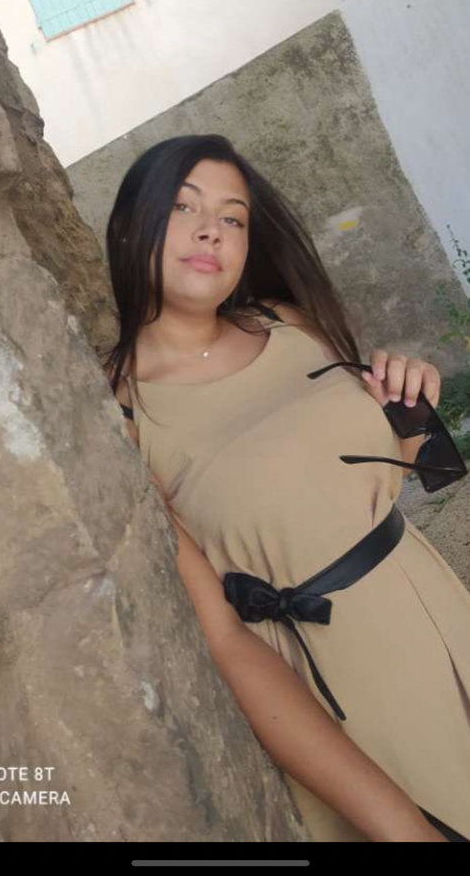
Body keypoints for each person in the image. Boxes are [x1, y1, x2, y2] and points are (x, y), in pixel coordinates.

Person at [102, 134, 470, 842]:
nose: (211, 229)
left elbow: (370, 483)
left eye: (232, 217)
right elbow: (225, 641)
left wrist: (407, 409)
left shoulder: (289, 321)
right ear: (126, 227)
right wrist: (402, 829)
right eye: (183, 207)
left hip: (438, 610)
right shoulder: (117, 418)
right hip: (343, 684)